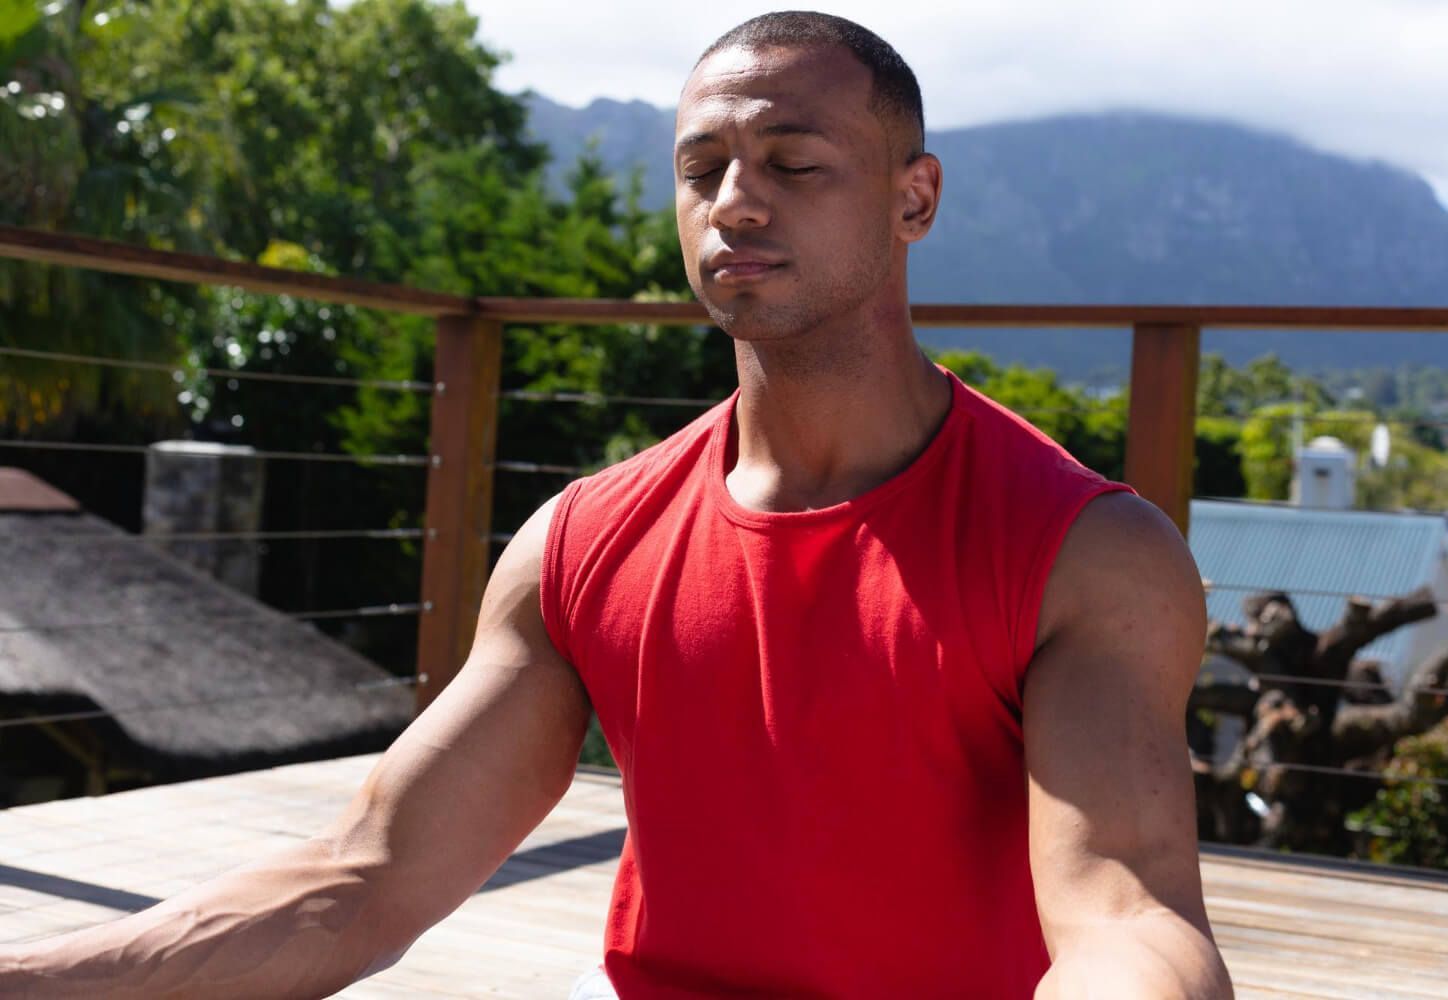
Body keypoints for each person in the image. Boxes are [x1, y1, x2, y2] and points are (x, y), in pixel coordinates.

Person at [0, 11, 1232, 999]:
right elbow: (364, 877)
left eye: (794, 163)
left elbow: (1128, 914)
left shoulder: (1084, 552)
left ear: (915, 199)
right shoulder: (583, 543)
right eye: (702, 171)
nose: (734, 201)